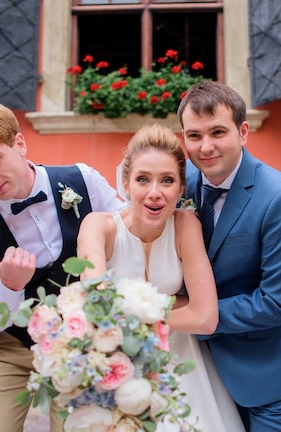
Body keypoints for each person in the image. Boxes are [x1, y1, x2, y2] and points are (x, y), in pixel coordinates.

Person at [0, 97, 124, 432]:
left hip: (78, 344)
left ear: (19, 143)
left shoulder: (83, 180)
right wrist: (9, 288)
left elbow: (129, 239)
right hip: (9, 350)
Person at [76, 123, 246, 431]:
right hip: (118, 365)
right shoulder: (98, 227)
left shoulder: (185, 224)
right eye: (143, 179)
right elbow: (96, 304)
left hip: (181, 366)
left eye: (167, 180)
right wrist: (179, 303)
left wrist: (129, 315)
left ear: (181, 188)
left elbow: (206, 317)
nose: (154, 193)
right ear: (126, 182)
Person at [177, 80, 281, 432]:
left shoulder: (279, 197)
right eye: (194, 136)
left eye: (217, 132)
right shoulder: (180, 183)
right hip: (199, 374)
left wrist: (197, 314)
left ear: (243, 132)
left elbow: (277, 302)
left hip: (265, 373)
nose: (205, 147)